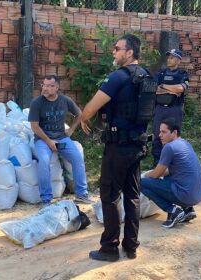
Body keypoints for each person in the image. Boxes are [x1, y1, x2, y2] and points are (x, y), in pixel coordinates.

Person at [81, 34, 149, 262]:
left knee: (110, 196)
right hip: (138, 144)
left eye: (117, 48)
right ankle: (131, 246)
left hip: (118, 147)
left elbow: (91, 108)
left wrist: (84, 116)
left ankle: (109, 248)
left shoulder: (118, 77)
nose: (114, 52)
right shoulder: (148, 76)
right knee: (132, 196)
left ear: (129, 53)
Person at [28, 75, 93, 207]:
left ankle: (82, 194)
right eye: (44, 85)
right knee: (44, 161)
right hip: (42, 139)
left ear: (57, 88)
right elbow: (34, 126)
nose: (45, 88)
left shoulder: (65, 100)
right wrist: (48, 141)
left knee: (77, 158)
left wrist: (71, 131)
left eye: (50, 86)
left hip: (62, 138)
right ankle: (46, 199)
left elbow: (79, 115)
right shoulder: (37, 103)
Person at [141, 118, 201, 228]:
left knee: (140, 183)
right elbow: (170, 171)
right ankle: (188, 209)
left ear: (174, 132)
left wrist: (145, 176)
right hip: (198, 195)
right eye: (160, 132)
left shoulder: (169, 147)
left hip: (186, 195)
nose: (160, 135)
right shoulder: (185, 143)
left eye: (164, 132)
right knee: (168, 175)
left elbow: (156, 174)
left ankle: (173, 210)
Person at [151, 49, 189, 167]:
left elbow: (181, 89)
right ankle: (157, 162)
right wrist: (171, 90)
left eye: (172, 57)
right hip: (160, 109)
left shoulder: (182, 74)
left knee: (174, 135)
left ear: (178, 60)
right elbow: (155, 90)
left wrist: (163, 86)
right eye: (168, 57)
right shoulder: (161, 74)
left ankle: (174, 162)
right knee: (158, 135)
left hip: (175, 109)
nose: (169, 59)